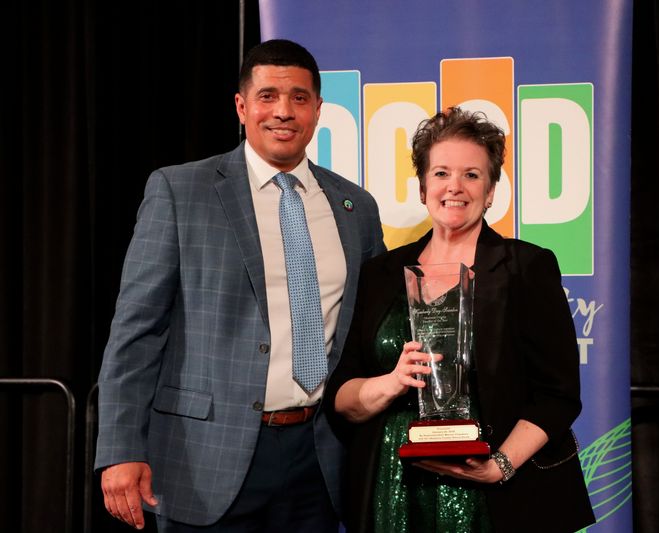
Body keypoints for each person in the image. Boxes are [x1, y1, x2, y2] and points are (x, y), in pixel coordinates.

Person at [95, 39, 385, 532]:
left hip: (320, 460)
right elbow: (135, 331)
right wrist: (121, 448)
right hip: (206, 459)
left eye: (298, 98)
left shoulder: (355, 207)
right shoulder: (180, 191)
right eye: (268, 96)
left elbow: (368, 334)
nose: (283, 112)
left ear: (318, 109)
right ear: (242, 106)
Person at [326, 107, 596, 532]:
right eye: (441, 173)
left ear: (491, 192)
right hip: (392, 490)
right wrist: (393, 381)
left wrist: (500, 465)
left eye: (472, 175)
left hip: (491, 492)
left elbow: (558, 395)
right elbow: (341, 395)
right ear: (422, 187)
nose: (455, 186)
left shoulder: (526, 267)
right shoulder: (380, 273)